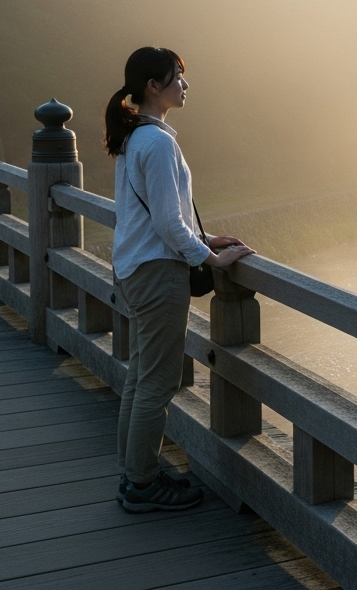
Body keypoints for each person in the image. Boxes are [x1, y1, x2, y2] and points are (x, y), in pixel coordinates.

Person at [104, 46, 254, 513]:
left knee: (140, 377)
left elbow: (158, 212)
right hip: (156, 273)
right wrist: (209, 257)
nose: (184, 86)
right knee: (157, 382)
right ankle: (145, 485)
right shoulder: (158, 142)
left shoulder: (137, 137)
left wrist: (204, 235)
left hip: (134, 267)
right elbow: (168, 224)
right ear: (154, 86)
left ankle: (134, 476)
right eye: (177, 78)